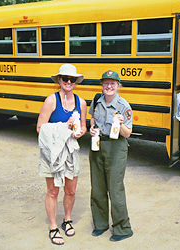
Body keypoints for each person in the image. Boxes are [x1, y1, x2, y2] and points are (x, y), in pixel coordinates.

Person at [36, 64, 87, 245]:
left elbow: (83, 126)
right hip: (52, 151)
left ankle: (67, 219)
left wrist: (79, 132)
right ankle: (53, 226)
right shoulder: (51, 100)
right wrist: (63, 128)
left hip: (71, 149)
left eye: (72, 79)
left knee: (71, 190)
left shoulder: (81, 102)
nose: (68, 82)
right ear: (59, 80)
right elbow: (40, 127)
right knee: (53, 191)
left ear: (76, 82)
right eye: (64, 78)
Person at [88, 70, 133, 242]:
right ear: (102, 85)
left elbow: (128, 133)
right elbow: (93, 119)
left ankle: (122, 228)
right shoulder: (96, 100)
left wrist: (120, 124)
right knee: (98, 187)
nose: (108, 87)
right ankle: (100, 224)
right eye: (105, 83)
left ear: (118, 86)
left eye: (112, 84)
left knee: (115, 189)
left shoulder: (124, 106)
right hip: (98, 144)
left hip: (116, 147)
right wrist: (92, 128)